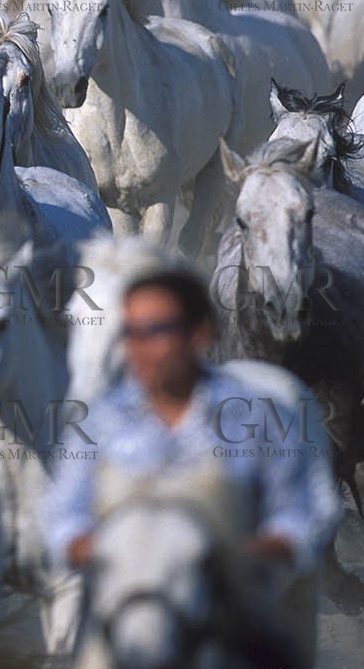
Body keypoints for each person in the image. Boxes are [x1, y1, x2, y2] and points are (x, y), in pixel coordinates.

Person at [40, 265, 342, 667]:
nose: (139, 348)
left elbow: (310, 507)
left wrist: (266, 549)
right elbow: (62, 510)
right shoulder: (100, 421)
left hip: (230, 609)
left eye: (155, 331)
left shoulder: (252, 415)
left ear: (199, 333)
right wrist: (84, 545)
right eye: (130, 333)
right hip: (121, 606)